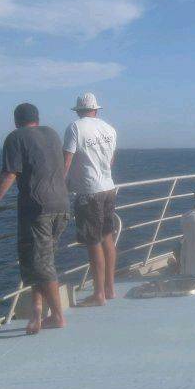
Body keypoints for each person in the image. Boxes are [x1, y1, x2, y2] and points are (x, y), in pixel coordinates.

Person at [0, 103, 69, 334]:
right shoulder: (52, 134)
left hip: (38, 209)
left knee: (42, 265)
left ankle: (57, 317)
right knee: (40, 261)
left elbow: (9, 173)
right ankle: (37, 313)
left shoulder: (15, 138)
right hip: (62, 205)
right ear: (37, 118)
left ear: (16, 120)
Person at [63, 93, 117, 306]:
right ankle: (110, 289)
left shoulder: (75, 128)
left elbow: (66, 161)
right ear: (96, 109)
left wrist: (60, 186)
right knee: (107, 238)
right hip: (108, 188)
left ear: (78, 111)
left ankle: (98, 294)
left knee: (93, 242)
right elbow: (110, 161)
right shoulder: (109, 129)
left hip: (89, 191)